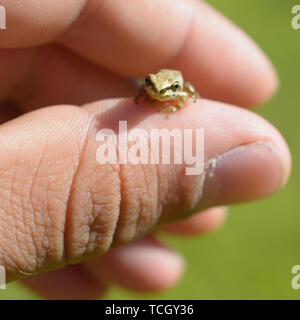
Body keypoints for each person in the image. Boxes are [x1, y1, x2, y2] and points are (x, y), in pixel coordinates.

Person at [0, 0, 291, 299]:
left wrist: (176, 102)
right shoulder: (151, 87)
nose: (156, 93)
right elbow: (148, 88)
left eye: (162, 92)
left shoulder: (173, 92)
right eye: (152, 88)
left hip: (174, 85)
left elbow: (185, 92)